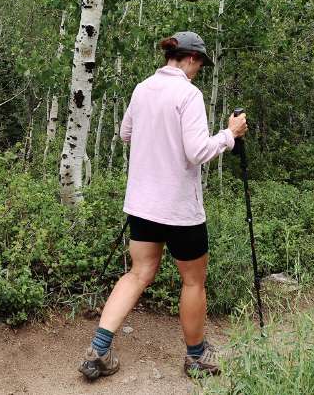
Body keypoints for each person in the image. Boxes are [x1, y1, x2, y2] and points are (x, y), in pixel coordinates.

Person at [78, 31, 248, 381]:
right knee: (193, 281)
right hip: (180, 210)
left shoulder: (142, 89)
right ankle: (197, 357)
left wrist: (155, 141)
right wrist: (230, 134)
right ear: (189, 59)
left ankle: (99, 349)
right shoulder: (188, 94)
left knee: (138, 273)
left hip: (142, 204)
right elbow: (197, 151)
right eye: (200, 63)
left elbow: (126, 134)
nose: (199, 70)